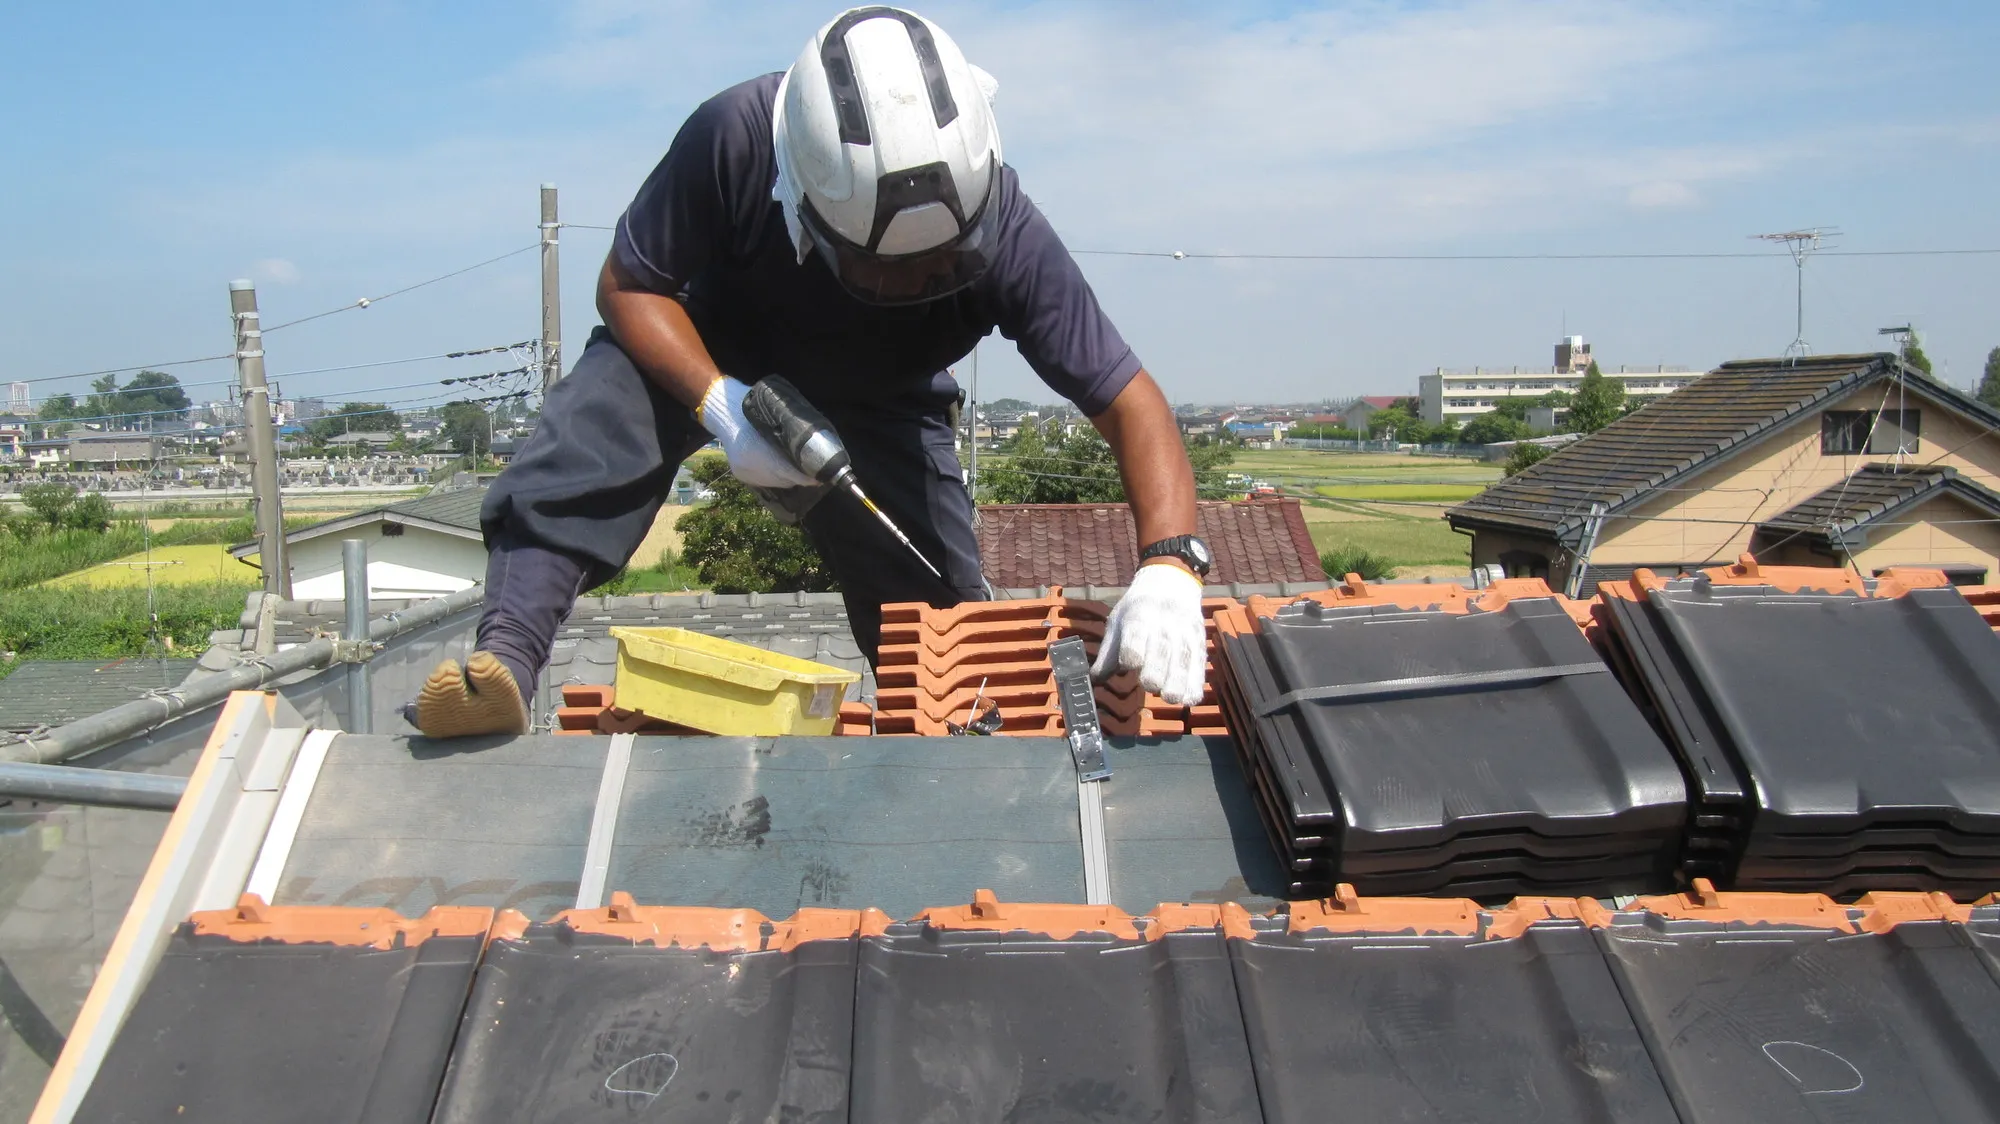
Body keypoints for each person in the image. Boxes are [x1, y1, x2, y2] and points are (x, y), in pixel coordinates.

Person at [414, 6, 1215, 737]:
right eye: (880, 271)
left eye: (940, 267)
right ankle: (505, 663)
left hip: (886, 398)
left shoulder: (1010, 231)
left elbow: (1128, 401)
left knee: (934, 614)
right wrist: (719, 407)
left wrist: (1170, 564)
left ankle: (958, 759)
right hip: (713, 347)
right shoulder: (733, 138)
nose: (909, 287)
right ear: (800, 202)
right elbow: (629, 285)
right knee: (606, 411)